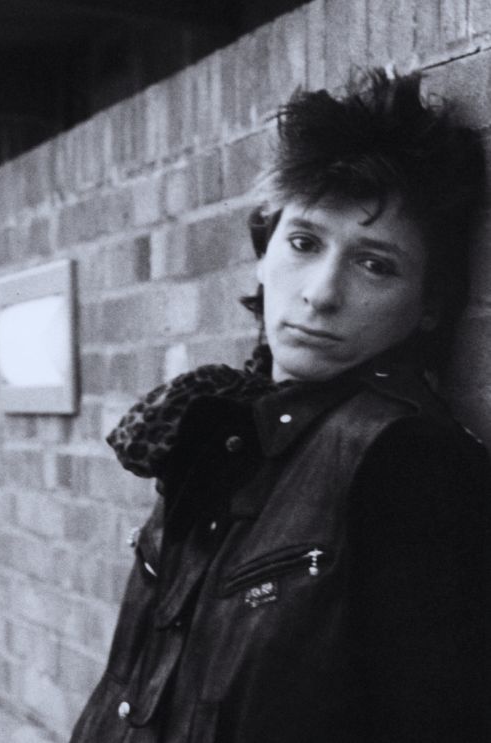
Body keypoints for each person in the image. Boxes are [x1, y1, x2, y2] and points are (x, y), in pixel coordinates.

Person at [68, 68, 491, 742]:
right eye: (303, 243)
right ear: (263, 254)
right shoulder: (220, 425)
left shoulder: (404, 460)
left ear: (429, 306)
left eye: (375, 264)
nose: (321, 293)